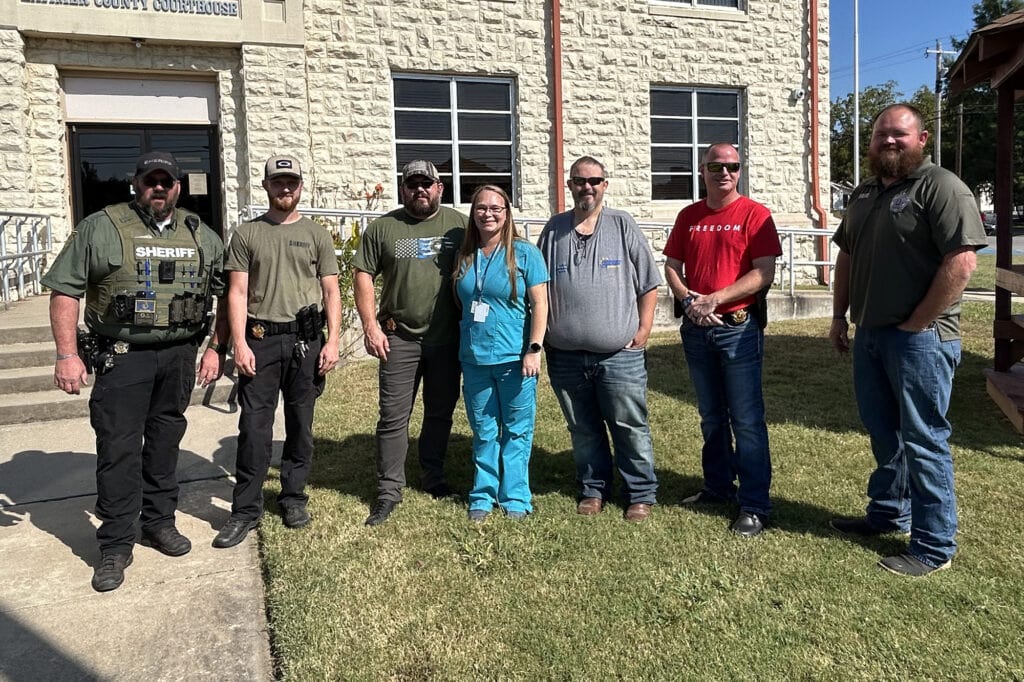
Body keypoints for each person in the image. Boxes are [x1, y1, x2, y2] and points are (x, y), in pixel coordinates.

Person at [43, 151, 227, 591]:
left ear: (178, 187)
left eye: (167, 181)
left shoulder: (200, 234)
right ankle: (115, 544)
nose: (158, 188)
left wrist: (217, 347)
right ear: (137, 183)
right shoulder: (100, 227)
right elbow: (65, 291)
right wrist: (66, 354)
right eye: (150, 180)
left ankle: (159, 522)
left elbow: (231, 289)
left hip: (180, 355)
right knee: (118, 451)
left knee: (165, 443)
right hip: (123, 356)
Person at [829, 103, 987, 576]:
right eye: (880, 135)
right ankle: (888, 514)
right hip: (872, 334)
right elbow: (847, 258)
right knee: (884, 433)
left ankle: (934, 546)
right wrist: (839, 316)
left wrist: (918, 322)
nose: (888, 142)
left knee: (924, 439)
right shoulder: (863, 194)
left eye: (899, 134)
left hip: (921, 339)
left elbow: (961, 263)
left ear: (921, 139)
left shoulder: (941, 187)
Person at [212, 155, 342, 548]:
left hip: (306, 341)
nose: (285, 189)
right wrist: (239, 344)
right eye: (278, 182)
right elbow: (235, 292)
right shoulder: (247, 234)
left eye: (292, 182)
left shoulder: (317, 234)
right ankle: (245, 511)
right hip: (261, 340)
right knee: (254, 428)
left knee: (300, 426)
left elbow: (331, 290)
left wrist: (333, 339)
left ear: (301, 185)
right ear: (266, 186)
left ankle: (293, 497)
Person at [663, 142, 782, 538]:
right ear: (703, 170)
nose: (724, 173)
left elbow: (763, 272)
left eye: (732, 166)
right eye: (715, 166)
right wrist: (689, 299)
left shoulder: (755, 215)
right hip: (696, 328)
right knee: (711, 416)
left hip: (739, 329)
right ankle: (716, 487)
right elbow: (672, 266)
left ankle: (754, 505)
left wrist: (716, 297)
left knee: (746, 420)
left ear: (739, 171)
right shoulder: (689, 216)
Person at [537, 156, 660, 522]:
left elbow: (649, 282)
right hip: (565, 355)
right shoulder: (554, 230)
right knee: (583, 428)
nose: (586, 187)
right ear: (570, 185)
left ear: (605, 184)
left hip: (618, 355)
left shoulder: (622, 225)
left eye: (594, 181)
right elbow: (537, 286)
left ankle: (640, 492)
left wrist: (643, 330)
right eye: (579, 181)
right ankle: (594, 488)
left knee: (628, 424)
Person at [353, 160, 467, 526]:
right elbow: (363, 275)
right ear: (403, 189)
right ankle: (388, 491)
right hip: (398, 338)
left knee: (439, 412)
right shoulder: (384, 228)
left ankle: (433, 476)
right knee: (393, 417)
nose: (420, 190)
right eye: (412, 184)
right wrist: (370, 326)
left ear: (440, 188)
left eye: (427, 184)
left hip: (448, 339)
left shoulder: (459, 226)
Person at [454, 185, 548, 521]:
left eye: (496, 208)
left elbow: (540, 303)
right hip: (475, 359)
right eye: (481, 207)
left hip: (515, 360)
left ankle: (516, 497)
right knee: (484, 430)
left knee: (517, 430)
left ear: (507, 213)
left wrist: (534, 349)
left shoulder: (524, 254)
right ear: (473, 212)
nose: (488, 214)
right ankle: (482, 494)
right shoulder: (466, 254)